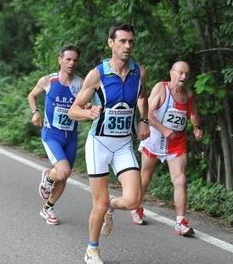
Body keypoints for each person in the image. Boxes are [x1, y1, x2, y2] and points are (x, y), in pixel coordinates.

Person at [68, 23, 150, 264]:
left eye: (131, 42)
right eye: (122, 41)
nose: (127, 46)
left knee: (134, 200)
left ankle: (113, 206)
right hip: (99, 144)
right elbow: (73, 111)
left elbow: (143, 97)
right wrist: (88, 113)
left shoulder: (139, 72)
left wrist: (143, 120)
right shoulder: (98, 74)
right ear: (111, 43)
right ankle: (92, 249)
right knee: (99, 203)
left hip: (123, 144)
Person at [130, 61, 203, 237]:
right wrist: (163, 129)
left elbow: (193, 113)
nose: (183, 76)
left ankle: (180, 222)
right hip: (154, 139)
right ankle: (136, 207)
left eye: (186, 74)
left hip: (176, 143)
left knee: (180, 180)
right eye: (180, 72)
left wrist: (196, 127)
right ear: (172, 73)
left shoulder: (189, 95)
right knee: (145, 178)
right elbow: (147, 111)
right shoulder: (161, 88)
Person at [27, 44, 83, 225]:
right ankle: (49, 177)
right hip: (52, 135)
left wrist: (87, 108)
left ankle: (48, 208)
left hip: (71, 137)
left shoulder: (80, 84)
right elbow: (31, 96)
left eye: (75, 60)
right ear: (60, 60)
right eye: (68, 59)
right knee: (63, 171)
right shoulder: (48, 81)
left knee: (64, 175)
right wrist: (35, 112)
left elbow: (85, 105)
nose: (71, 63)